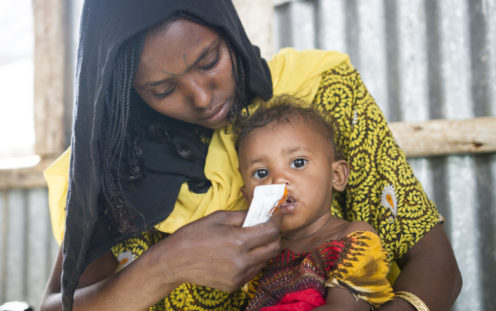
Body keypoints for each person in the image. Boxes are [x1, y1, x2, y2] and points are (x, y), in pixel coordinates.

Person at [40, 1, 462, 310]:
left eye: (210, 60)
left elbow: (433, 260)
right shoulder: (109, 171)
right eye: (163, 89)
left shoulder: (317, 90)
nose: (203, 98)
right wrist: (167, 265)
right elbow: (57, 307)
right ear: (125, 92)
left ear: (227, 29)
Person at [235, 97, 394, 310]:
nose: (279, 180)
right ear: (249, 199)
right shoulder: (261, 258)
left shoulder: (352, 238)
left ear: (336, 176)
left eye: (298, 163)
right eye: (261, 173)